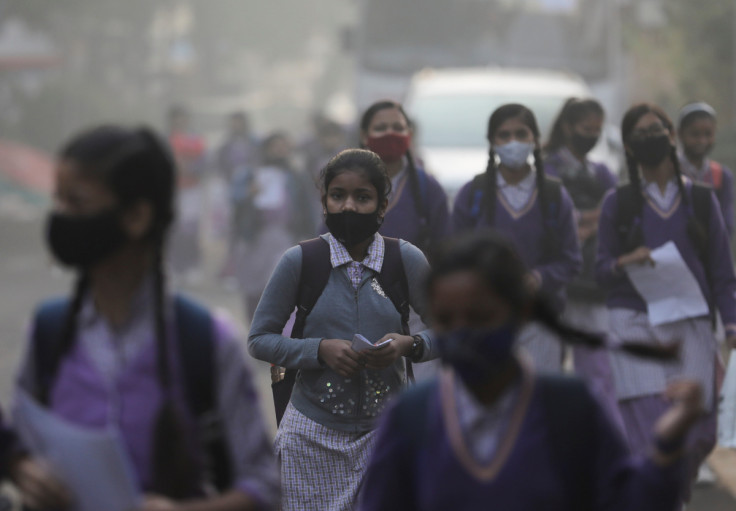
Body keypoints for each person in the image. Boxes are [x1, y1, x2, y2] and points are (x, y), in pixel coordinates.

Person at [15, 126, 279, 510]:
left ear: (137, 216)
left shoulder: (205, 340)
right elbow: (20, 441)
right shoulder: (49, 332)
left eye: (77, 202)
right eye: (59, 201)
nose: (60, 217)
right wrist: (24, 469)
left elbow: (267, 485)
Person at [358, 233, 702, 511]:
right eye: (446, 321)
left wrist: (668, 446)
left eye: (479, 317)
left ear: (520, 313)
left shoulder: (569, 408)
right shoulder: (411, 416)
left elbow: (626, 502)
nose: (462, 334)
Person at [248, 148, 437, 511]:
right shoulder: (301, 261)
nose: (348, 207)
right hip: (309, 438)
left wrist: (410, 345)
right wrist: (318, 350)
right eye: (338, 196)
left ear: (383, 206)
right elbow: (259, 339)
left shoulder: (405, 260)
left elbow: (454, 331)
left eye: (362, 197)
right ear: (324, 203)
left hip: (387, 435)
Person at [596, 103, 736, 500]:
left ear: (672, 136)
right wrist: (626, 260)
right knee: (649, 424)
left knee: (698, 430)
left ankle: (667, 491)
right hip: (633, 319)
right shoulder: (618, 203)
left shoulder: (703, 201)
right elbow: (601, 271)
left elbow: (723, 273)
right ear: (627, 146)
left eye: (656, 130)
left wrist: (730, 325)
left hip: (691, 320)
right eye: (639, 135)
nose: (651, 139)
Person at [452, 103, 582, 372]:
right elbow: (453, 256)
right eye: (504, 135)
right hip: (484, 321)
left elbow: (571, 261)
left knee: (539, 403)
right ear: (492, 142)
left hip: (540, 321)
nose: (513, 142)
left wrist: (539, 278)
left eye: (521, 134)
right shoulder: (472, 194)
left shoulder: (555, 197)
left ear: (535, 139)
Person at [544, 98, 622, 428]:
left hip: (591, 285)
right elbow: (551, 222)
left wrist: (584, 223)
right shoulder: (547, 170)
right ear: (567, 127)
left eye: (596, 130)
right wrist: (589, 219)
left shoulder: (601, 171)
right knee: (546, 366)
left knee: (599, 370)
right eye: (585, 128)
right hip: (553, 282)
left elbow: (620, 213)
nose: (591, 135)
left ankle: (605, 439)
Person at [231, 131, 317, 323]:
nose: (280, 151)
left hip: (284, 236)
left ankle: (276, 327)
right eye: (275, 146)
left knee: (280, 283)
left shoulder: (296, 176)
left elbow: (306, 208)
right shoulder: (250, 174)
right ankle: (253, 323)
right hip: (256, 236)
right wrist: (249, 194)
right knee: (253, 283)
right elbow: (236, 204)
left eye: (283, 146)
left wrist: (310, 236)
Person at [359, 100, 451, 260]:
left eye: (398, 128)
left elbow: (445, 248)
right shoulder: (346, 186)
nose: (390, 133)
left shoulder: (428, 189)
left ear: (410, 134)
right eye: (381, 128)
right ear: (364, 136)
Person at [677, 101, 734, 238]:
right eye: (695, 134)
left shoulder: (721, 175)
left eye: (708, 134)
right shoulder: (670, 172)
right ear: (680, 134)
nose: (702, 140)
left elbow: (727, 222)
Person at [167, 105, 208, 278]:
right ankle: (175, 265)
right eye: (177, 118)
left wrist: (190, 168)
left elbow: (205, 162)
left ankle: (192, 265)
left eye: (183, 117)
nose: (180, 121)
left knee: (191, 227)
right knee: (174, 227)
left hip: (192, 190)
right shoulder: (166, 139)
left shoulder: (196, 140)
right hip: (172, 189)